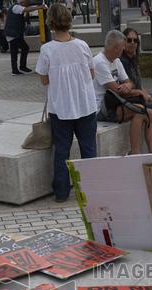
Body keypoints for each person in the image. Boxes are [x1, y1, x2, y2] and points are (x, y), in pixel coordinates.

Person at [35, 3, 97, 203]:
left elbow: (44, 79)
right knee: (89, 149)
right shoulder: (82, 45)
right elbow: (91, 74)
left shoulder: (47, 49)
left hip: (61, 108)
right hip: (85, 105)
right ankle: (91, 190)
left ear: (50, 23)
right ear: (69, 21)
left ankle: (61, 193)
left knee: (62, 151)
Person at [94, 30, 152, 155]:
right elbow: (117, 90)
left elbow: (129, 82)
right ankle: (135, 153)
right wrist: (136, 91)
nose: (124, 49)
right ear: (116, 48)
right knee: (140, 111)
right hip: (102, 108)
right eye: (122, 47)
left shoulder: (116, 61)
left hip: (116, 103)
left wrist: (127, 85)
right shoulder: (99, 62)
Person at [6, 0, 42, 76]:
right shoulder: (16, 7)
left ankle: (17, 69)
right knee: (22, 49)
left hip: (14, 34)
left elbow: (25, 12)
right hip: (13, 34)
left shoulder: (16, 7)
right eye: (27, 2)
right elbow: (26, 9)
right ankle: (19, 68)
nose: (27, 4)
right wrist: (39, 7)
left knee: (16, 52)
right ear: (22, 2)